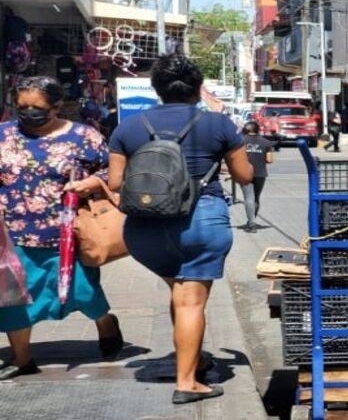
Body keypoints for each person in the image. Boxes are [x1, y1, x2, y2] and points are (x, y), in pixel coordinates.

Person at [108, 54, 254, 403]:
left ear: (156, 89)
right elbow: (245, 176)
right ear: (198, 89)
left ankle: (192, 356)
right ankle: (187, 383)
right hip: (201, 221)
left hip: (144, 228)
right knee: (191, 300)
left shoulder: (127, 127)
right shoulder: (218, 124)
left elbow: (115, 183)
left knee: (181, 292)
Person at [0, 76, 123, 380]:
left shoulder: (84, 137)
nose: (29, 113)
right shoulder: (3, 135)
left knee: (84, 291)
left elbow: (112, 172)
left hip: (68, 232)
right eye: (22, 107)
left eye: (37, 107)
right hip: (11, 233)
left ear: (56, 106)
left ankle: (105, 321)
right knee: (13, 299)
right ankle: (22, 358)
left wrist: (90, 182)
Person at [240, 121, 274, 233]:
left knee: (248, 197)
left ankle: (251, 223)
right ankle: (252, 220)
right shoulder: (266, 142)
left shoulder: (240, 141)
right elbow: (269, 160)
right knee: (256, 198)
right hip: (260, 173)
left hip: (245, 172)